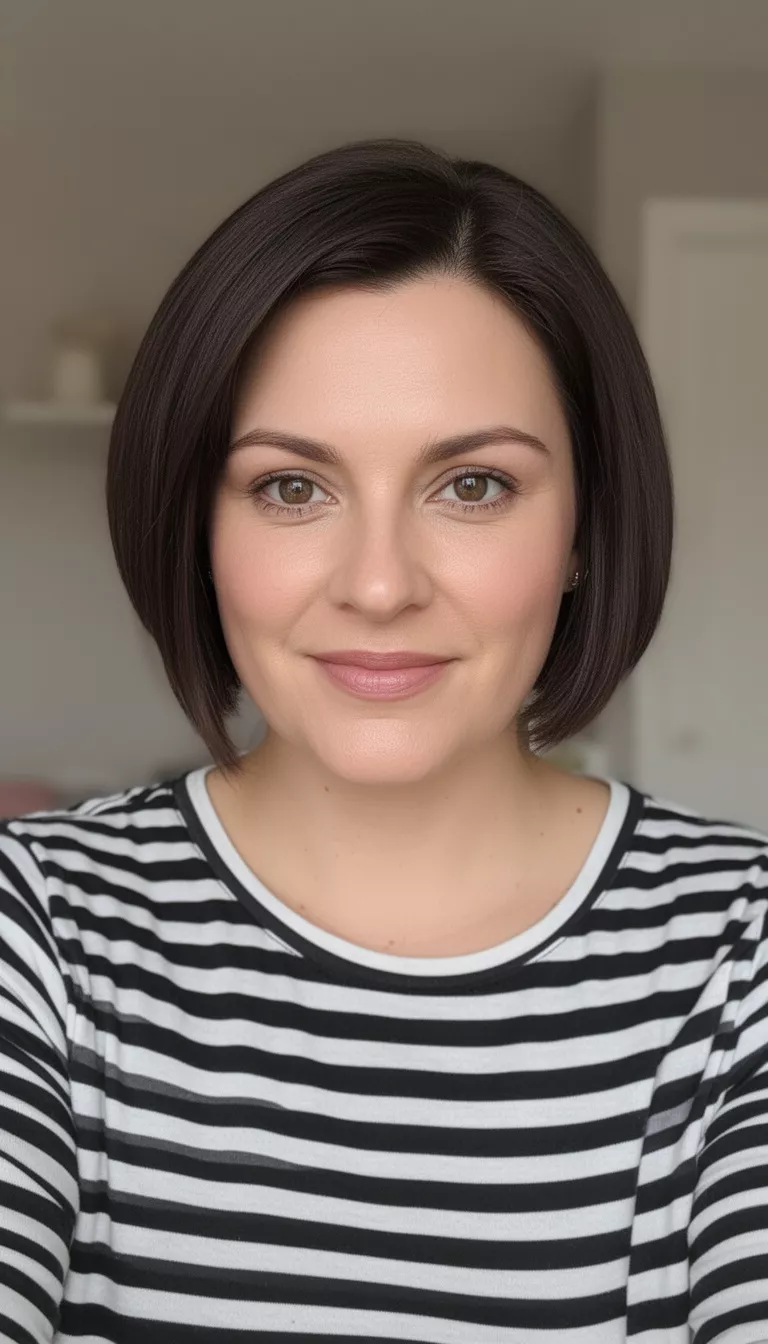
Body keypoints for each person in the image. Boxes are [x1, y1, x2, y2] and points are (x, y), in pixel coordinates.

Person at [0, 137, 766, 1344]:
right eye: (291, 488)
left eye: (472, 486)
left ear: (584, 530)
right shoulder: (37, 931)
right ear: (198, 527)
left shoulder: (742, 956)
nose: (376, 585)